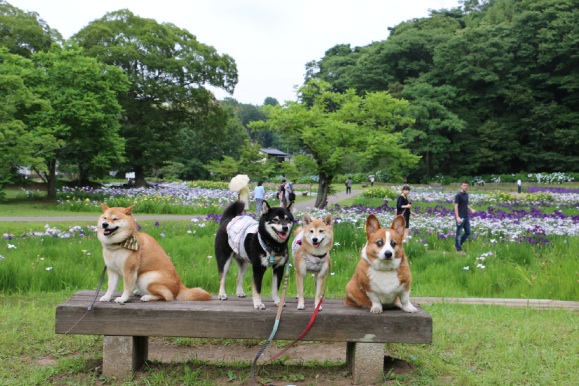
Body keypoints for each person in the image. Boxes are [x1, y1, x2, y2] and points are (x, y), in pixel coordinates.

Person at [454, 181, 476, 254]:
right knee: (459, 233)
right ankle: (459, 250)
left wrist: (471, 209)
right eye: (464, 185)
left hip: (466, 216)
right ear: (461, 186)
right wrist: (457, 217)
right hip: (460, 217)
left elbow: (466, 204)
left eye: (466, 186)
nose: (465, 187)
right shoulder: (458, 195)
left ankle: (457, 244)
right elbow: (456, 206)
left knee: (468, 232)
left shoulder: (466, 195)